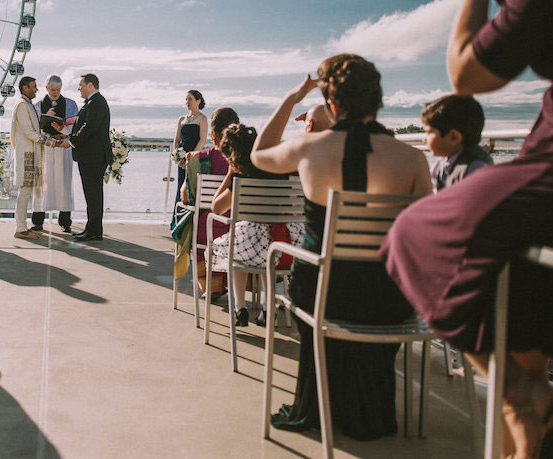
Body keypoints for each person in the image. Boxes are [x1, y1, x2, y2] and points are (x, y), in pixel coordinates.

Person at [382, 0, 553, 457]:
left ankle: (521, 395)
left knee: (412, 232)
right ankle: (524, 424)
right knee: (520, 304)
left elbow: (468, 72)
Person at [251, 54, 431, 440]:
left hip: (320, 295)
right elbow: (422, 239)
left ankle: (320, 404)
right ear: (377, 100)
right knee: (379, 285)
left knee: (316, 281)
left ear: (332, 104)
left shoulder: (310, 148)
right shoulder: (414, 159)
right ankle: (366, 406)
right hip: (387, 301)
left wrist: (294, 98)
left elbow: (258, 153)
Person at [209, 123, 305, 327]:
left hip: (251, 248)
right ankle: (267, 308)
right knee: (264, 253)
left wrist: (230, 174)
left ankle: (240, 308)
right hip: (287, 246)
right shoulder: (282, 171)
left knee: (236, 246)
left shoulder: (241, 176)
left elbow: (216, 208)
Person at [179, 107, 239, 299]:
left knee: (192, 229)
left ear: (212, 134)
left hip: (211, 225)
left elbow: (187, 197)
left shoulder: (200, 158)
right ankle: (227, 284)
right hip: (241, 225)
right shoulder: (246, 159)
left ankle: (211, 286)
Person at [54, 74, 111, 241]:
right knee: (91, 194)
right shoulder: (93, 103)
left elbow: (89, 129)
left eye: (81, 85)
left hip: (93, 156)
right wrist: (67, 138)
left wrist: (71, 142)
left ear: (90, 85)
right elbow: (84, 126)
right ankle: (92, 229)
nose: (79, 88)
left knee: (93, 194)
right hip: (91, 156)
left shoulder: (97, 103)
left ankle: (94, 231)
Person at [31, 74, 78, 234]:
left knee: (63, 182)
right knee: (42, 183)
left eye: (58, 89)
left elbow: (75, 126)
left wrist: (63, 132)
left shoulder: (71, 105)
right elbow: (33, 128)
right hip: (45, 147)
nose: (55, 92)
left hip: (63, 147)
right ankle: (38, 221)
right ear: (46, 88)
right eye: (52, 89)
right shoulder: (37, 106)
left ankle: (65, 221)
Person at [11, 76, 54, 240]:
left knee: (27, 192)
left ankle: (23, 226)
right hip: (27, 155)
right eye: (33, 87)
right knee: (25, 191)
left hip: (30, 154)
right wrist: (50, 142)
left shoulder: (26, 104)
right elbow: (29, 132)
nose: (36, 89)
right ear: (24, 88)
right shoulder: (22, 105)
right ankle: (20, 228)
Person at [420, 94, 492, 190]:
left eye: (429, 132)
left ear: (454, 137)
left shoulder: (476, 169)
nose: (424, 139)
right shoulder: (439, 167)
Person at [172, 90, 208, 207]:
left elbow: (202, 140)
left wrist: (190, 158)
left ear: (198, 101)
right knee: (180, 184)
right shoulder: (182, 119)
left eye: (190, 99)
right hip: (181, 159)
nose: (187, 102)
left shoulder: (202, 118)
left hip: (194, 158)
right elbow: (177, 140)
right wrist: (177, 157)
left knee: (191, 186)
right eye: (186, 99)